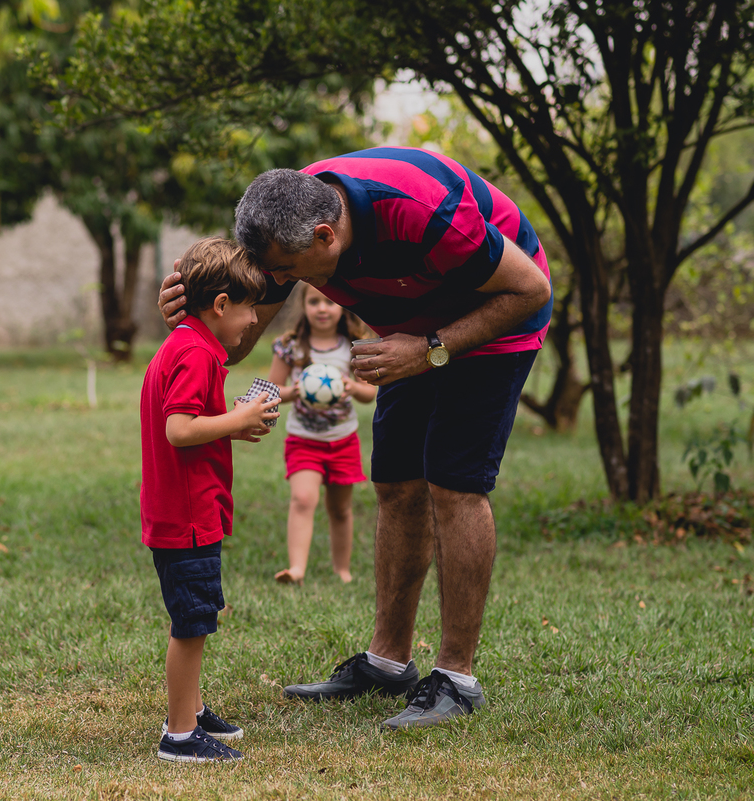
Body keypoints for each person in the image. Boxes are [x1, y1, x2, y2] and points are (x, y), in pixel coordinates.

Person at [157, 146, 552, 730]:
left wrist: (431, 349)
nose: (277, 284)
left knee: (455, 483)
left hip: (492, 321)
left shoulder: (423, 212)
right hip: (408, 334)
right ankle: (389, 663)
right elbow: (236, 345)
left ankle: (457, 678)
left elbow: (531, 290)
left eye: (287, 271)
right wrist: (194, 314)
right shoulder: (283, 231)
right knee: (396, 482)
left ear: (326, 236)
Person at [141, 237, 280, 763]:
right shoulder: (197, 353)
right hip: (188, 515)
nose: (254, 320)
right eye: (248, 308)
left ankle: (192, 711)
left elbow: (192, 422)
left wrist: (232, 424)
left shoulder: (186, 344)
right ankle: (179, 735)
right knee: (192, 623)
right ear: (221, 304)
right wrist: (239, 418)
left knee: (195, 614)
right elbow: (179, 430)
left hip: (184, 510)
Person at [268, 284, 377, 585]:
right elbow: (272, 390)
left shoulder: (353, 346)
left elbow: (369, 393)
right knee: (303, 499)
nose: (322, 308)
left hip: (343, 440)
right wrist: (295, 392)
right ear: (303, 306)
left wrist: (352, 387)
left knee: (340, 509)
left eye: (329, 302)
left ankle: (342, 569)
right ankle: (296, 569)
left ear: (341, 305)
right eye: (314, 301)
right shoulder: (290, 346)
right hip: (303, 439)